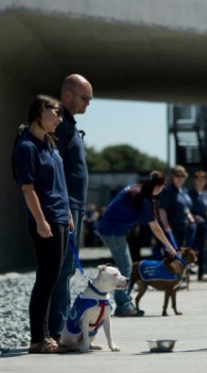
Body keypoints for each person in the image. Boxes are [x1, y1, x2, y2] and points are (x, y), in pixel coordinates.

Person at [13, 95, 73, 353]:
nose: (59, 119)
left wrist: (68, 213)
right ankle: (39, 338)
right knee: (46, 279)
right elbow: (28, 189)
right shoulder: (27, 147)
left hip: (60, 217)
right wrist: (41, 221)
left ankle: (48, 335)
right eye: (55, 113)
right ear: (39, 112)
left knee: (53, 277)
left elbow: (60, 183)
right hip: (46, 220)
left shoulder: (50, 144)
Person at [96, 171, 176, 317]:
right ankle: (123, 306)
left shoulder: (137, 189)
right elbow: (155, 227)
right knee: (126, 267)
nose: (161, 191)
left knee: (125, 265)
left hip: (110, 229)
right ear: (158, 187)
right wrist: (169, 246)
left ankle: (123, 302)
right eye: (162, 188)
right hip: (112, 232)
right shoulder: (146, 199)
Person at [49, 74, 93, 340]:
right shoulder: (61, 125)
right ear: (67, 94)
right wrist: (65, 207)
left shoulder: (71, 126)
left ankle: (62, 330)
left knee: (66, 270)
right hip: (67, 208)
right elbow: (56, 170)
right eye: (84, 97)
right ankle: (58, 331)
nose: (88, 103)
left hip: (74, 207)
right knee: (62, 270)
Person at [157, 165, 195, 249]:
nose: (180, 178)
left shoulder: (184, 191)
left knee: (182, 252)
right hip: (172, 228)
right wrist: (166, 225)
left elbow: (186, 208)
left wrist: (191, 219)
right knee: (172, 255)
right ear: (173, 176)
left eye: (183, 176)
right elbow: (162, 209)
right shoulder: (168, 191)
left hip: (184, 228)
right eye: (177, 175)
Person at [188, 171, 207, 280]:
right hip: (193, 225)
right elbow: (187, 208)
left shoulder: (205, 195)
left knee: (203, 249)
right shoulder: (189, 194)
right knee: (189, 249)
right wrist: (192, 216)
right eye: (199, 180)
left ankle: (202, 273)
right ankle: (185, 273)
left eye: (203, 181)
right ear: (195, 181)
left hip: (204, 225)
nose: (201, 183)